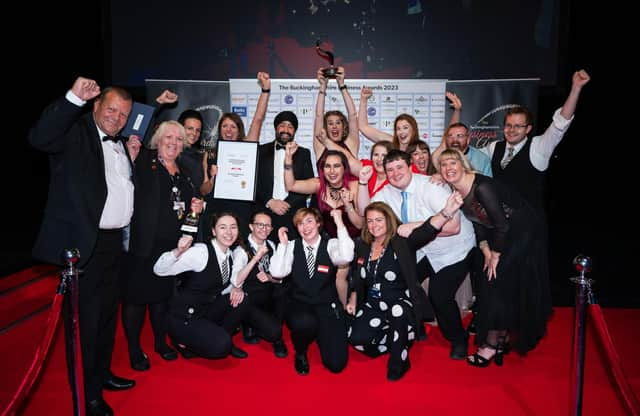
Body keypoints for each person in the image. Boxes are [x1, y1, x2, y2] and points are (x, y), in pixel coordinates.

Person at [28, 77, 137, 416]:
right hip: (83, 248)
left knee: (106, 319)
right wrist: (72, 98)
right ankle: (87, 395)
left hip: (113, 246)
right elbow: (40, 136)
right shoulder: (77, 135)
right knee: (85, 324)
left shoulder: (120, 147)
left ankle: (101, 375)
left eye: (123, 115)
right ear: (95, 107)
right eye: (111, 111)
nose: (117, 119)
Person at [357, 149, 476, 359]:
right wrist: (363, 184)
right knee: (401, 281)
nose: (395, 173)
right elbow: (367, 211)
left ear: (409, 165)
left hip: (456, 249)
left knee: (439, 295)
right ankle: (414, 326)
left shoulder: (431, 186)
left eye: (399, 167)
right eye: (390, 170)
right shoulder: (388, 192)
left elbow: (454, 226)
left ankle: (459, 339)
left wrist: (413, 226)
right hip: (425, 251)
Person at [439, 148, 552, 366]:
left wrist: (496, 256)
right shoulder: (457, 192)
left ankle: (491, 344)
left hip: (522, 232)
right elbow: (479, 223)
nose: (448, 168)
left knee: (496, 282)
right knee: (490, 280)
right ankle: (501, 335)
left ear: (463, 164)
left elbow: (502, 224)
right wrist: (486, 251)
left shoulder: (481, 187)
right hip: (500, 235)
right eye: (443, 165)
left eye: (453, 163)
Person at [347, 194, 463, 380]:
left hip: (400, 303)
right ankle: (396, 337)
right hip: (374, 305)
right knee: (355, 339)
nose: (374, 225)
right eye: (369, 221)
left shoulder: (401, 243)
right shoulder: (363, 246)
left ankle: (399, 359)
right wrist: (353, 296)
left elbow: (426, 231)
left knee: (397, 312)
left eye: (379, 220)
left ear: (389, 220)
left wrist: (446, 212)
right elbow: (356, 275)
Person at [121, 121, 203, 372]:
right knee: (136, 299)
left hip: (172, 247)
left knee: (161, 298)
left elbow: (188, 204)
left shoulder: (185, 170)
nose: (173, 143)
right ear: (158, 139)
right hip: (143, 244)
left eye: (179, 139)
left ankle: (160, 342)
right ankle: (134, 349)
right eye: (168, 137)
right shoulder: (145, 161)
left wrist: (196, 209)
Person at [482, 69, 590, 213]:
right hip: (499, 224)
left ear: (528, 129)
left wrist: (576, 88)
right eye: (508, 125)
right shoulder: (494, 147)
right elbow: (468, 158)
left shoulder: (539, 147)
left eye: (518, 126)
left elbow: (560, 124)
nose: (512, 130)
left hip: (529, 227)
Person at [153, 213, 251, 360]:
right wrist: (178, 251)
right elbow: (159, 269)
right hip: (184, 316)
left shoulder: (230, 255)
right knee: (221, 347)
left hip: (204, 311)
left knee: (242, 299)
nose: (229, 232)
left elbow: (222, 287)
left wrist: (238, 288)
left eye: (233, 227)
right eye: (222, 227)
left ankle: (221, 337)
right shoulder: (201, 252)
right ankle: (182, 341)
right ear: (213, 231)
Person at [270, 208, 355, 375]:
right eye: (300, 223)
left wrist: (339, 223)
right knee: (305, 323)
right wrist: (282, 245)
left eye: (309, 221)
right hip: (300, 304)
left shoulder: (330, 244)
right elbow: (277, 272)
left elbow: (346, 256)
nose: (305, 227)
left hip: (326, 305)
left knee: (336, 364)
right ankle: (301, 352)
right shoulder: (292, 246)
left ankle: (320, 333)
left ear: (318, 224)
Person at [284, 143, 362, 306]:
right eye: (327, 166)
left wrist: (348, 206)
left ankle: (346, 315)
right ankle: (338, 311)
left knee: (342, 276)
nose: (332, 171)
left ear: (344, 168)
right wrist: (288, 158)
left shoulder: (355, 186)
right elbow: (291, 185)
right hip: (328, 244)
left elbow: (360, 224)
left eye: (336, 166)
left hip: (354, 241)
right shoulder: (319, 185)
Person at [200, 72, 272, 235]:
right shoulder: (210, 153)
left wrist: (265, 91)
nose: (229, 130)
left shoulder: (246, 146)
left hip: (241, 207)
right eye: (225, 126)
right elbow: (204, 190)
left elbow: (258, 120)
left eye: (233, 126)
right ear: (220, 129)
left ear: (239, 130)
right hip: (216, 209)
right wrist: (212, 178)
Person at [232, 211, 289, 358]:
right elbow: (236, 281)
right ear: (251, 227)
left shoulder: (272, 245)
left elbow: (280, 278)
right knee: (274, 331)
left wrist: (270, 277)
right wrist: (255, 258)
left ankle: (276, 335)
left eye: (267, 226)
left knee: (283, 291)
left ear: (271, 229)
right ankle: (249, 323)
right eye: (260, 225)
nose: (264, 228)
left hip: (269, 296)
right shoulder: (241, 249)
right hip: (251, 299)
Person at [255, 110, 314, 240]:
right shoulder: (260, 151)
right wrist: (270, 202)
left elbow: (308, 184)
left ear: (294, 131)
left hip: (294, 216)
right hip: (265, 215)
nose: (286, 129)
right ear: (276, 128)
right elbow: (254, 183)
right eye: (282, 125)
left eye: (290, 127)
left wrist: (286, 205)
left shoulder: (304, 153)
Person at [358, 89, 461, 152]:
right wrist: (363, 100)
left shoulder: (420, 150)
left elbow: (447, 140)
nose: (401, 131)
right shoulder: (391, 143)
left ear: (414, 130)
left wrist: (456, 110)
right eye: (398, 128)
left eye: (405, 127)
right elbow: (363, 127)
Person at [313, 66, 359, 163]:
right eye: (330, 123)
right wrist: (322, 86)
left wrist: (341, 85)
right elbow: (319, 116)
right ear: (325, 128)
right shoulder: (321, 145)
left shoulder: (351, 144)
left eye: (338, 123)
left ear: (344, 126)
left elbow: (353, 115)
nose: (334, 126)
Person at [177, 109, 205, 191]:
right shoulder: (171, 155)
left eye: (198, 130)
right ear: (180, 127)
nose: (194, 133)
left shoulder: (200, 157)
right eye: (190, 128)